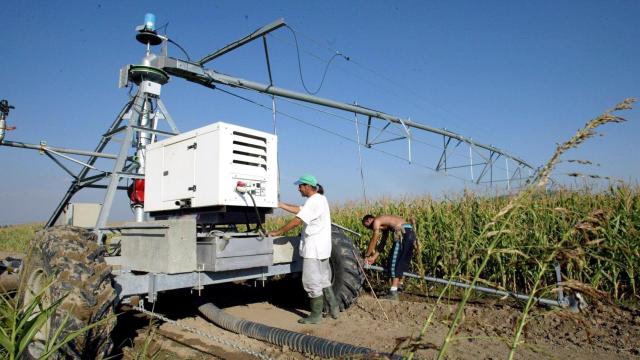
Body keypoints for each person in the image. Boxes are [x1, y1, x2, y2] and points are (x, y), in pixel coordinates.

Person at [268, 174, 339, 324]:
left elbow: (297, 220)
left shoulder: (314, 201)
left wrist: (278, 232)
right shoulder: (319, 199)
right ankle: (333, 308)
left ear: (307, 186)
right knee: (323, 278)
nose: (298, 189)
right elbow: (300, 210)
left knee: (311, 281)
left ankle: (316, 316)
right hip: (323, 248)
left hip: (313, 249)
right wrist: (281, 205)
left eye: (300, 186)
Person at [362, 214, 416, 300]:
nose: (370, 229)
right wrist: (374, 257)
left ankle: (393, 293)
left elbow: (374, 238)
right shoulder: (385, 225)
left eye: (368, 227)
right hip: (410, 232)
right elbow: (382, 243)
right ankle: (399, 286)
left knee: (394, 261)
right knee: (401, 261)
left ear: (369, 220)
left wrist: (367, 255)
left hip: (401, 232)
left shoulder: (376, 221)